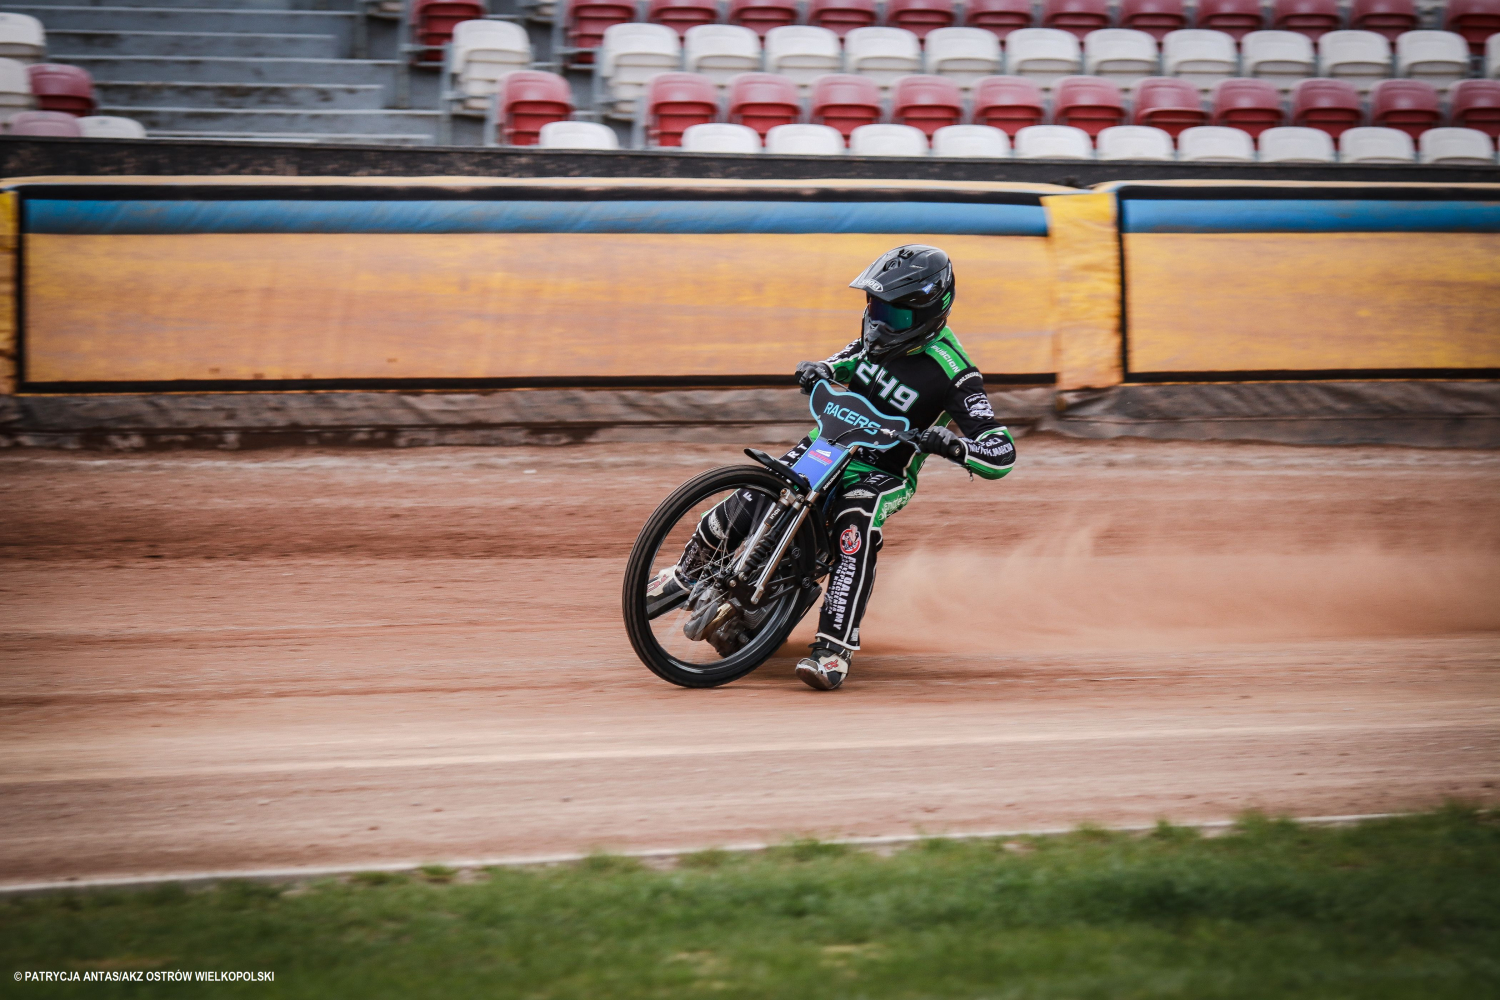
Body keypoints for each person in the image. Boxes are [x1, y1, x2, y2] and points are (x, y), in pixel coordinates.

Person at [648, 244, 1018, 691]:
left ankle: (833, 650)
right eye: (874, 306)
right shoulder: (874, 338)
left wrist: (955, 446)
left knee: (854, 524)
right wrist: (819, 368)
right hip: (830, 442)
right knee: (759, 491)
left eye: (893, 313)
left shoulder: (956, 372)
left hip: (882, 472)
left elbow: (1001, 451)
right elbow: (845, 360)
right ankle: (685, 574)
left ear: (928, 312)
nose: (879, 321)